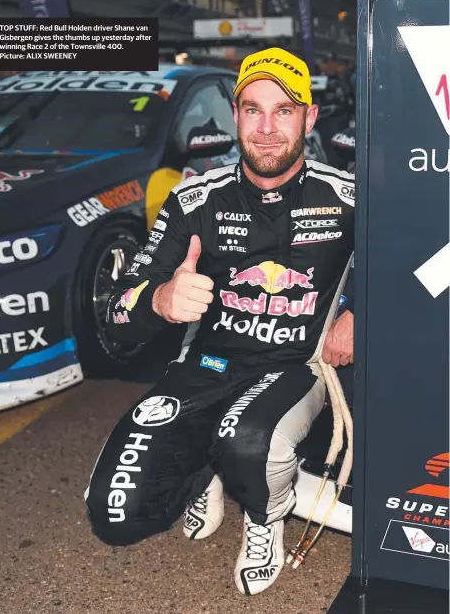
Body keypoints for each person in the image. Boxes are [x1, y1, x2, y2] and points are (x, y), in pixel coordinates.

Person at [85, 47, 355, 596]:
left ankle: (264, 515)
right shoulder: (193, 201)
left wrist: (361, 314)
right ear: (234, 116)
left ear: (309, 117)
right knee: (114, 516)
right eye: (252, 110)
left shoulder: (349, 197)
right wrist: (159, 299)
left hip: (292, 368)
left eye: (284, 111)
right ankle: (201, 469)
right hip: (206, 366)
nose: (267, 128)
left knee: (249, 442)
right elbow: (117, 315)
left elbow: (420, 256)